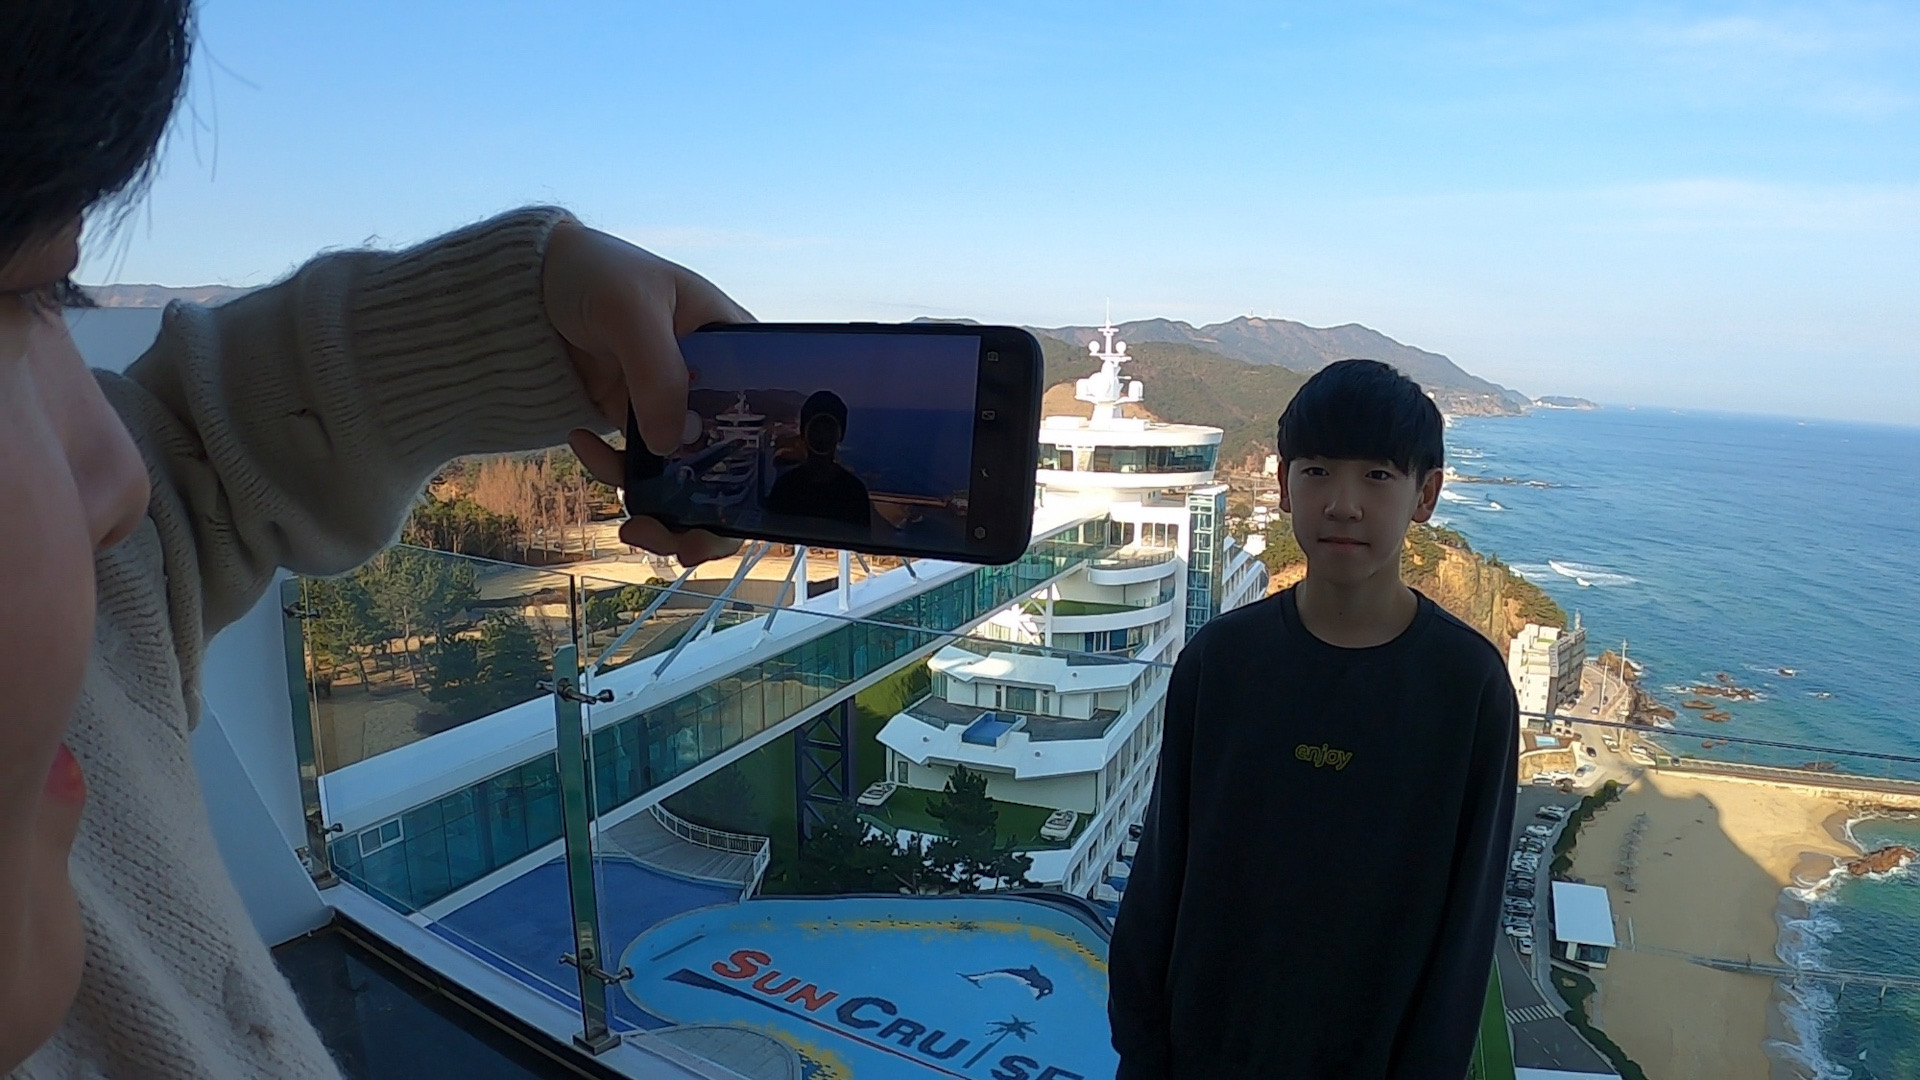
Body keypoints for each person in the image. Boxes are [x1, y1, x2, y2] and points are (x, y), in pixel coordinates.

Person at [1, 3, 746, 1076]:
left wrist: (512, 318)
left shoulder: (80, 688)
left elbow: (187, 473)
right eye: (25, 299)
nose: (114, 478)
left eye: (56, 304)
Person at [1107, 359, 1519, 1078]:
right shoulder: (1221, 661)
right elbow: (1161, 870)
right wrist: (1141, 1047)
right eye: (1319, 471)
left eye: (1378, 476)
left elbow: (1467, 924)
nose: (1343, 504)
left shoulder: (1467, 686)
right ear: (1283, 483)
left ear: (1426, 494)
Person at [765, 389, 874, 530]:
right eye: (816, 429)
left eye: (828, 429)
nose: (822, 437)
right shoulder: (854, 492)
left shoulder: (784, 488)